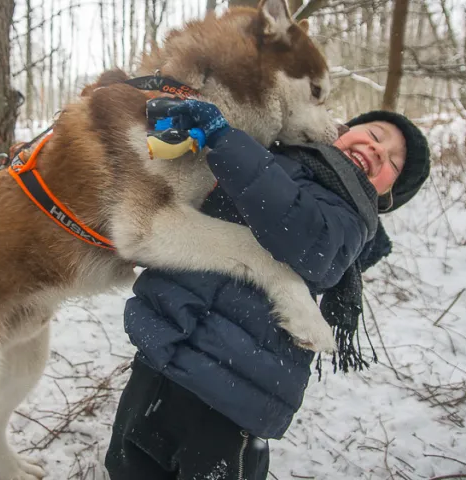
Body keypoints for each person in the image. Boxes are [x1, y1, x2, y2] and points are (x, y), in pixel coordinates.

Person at [104, 99, 432, 480]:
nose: (378, 150)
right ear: (342, 131)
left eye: (392, 162)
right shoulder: (268, 154)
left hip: (234, 388)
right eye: (375, 135)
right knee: (128, 466)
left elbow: (301, 232)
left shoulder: (350, 217)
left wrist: (225, 138)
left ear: (385, 196)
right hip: (163, 353)